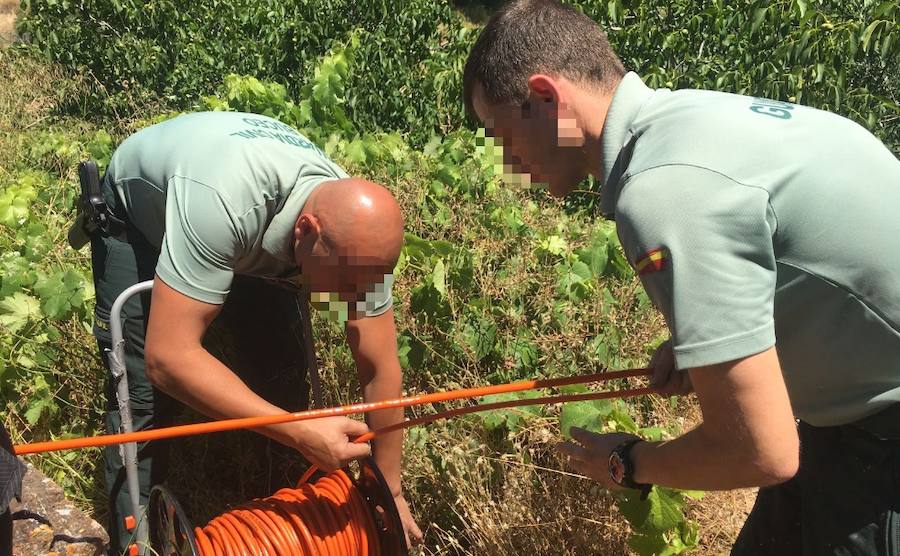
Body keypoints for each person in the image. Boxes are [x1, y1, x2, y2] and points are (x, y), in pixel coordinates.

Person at [462, 1, 900, 554]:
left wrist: (628, 462)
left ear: (547, 99)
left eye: (501, 136)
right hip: (852, 420)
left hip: (881, 449)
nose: (507, 163)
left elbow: (762, 451)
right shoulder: (691, 118)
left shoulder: (661, 190)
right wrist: (703, 345)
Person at [70, 111, 423, 553]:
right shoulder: (223, 203)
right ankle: (138, 541)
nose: (356, 297)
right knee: (141, 393)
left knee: (277, 367)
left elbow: (378, 367)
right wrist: (297, 431)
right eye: (347, 284)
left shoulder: (359, 243)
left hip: (244, 227)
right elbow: (169, 358)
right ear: (307, 231)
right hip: (140, 220)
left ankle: (277, 516)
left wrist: (389, 491)